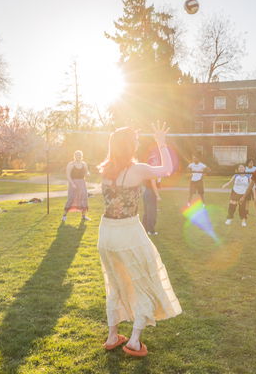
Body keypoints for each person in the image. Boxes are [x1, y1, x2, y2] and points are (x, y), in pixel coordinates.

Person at [98, 123, 181, 357]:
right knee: (145, 281)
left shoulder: (105, 170)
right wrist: (161, 142)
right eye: (134, 140)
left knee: (114, 284)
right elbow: (167, 169)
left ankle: (113, 335)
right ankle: (134, 341)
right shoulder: (138, 170)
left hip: (106, 234)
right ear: (128, 145)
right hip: (128, 232)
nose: (137, 143)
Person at [62, 150, 90, 222]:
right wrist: (72, 184)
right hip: (73, 183)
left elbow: (87, 172)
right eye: (77, 155)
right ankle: (64, 216)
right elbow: (68, 175)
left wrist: (88, 174)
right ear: (74, 156)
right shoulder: (71, 164)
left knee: (84, 197)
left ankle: (83, 216)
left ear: (82, 156)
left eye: (80, 155)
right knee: (71, 198)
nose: (78, 157)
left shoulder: (84, 164)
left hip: (82, 182)